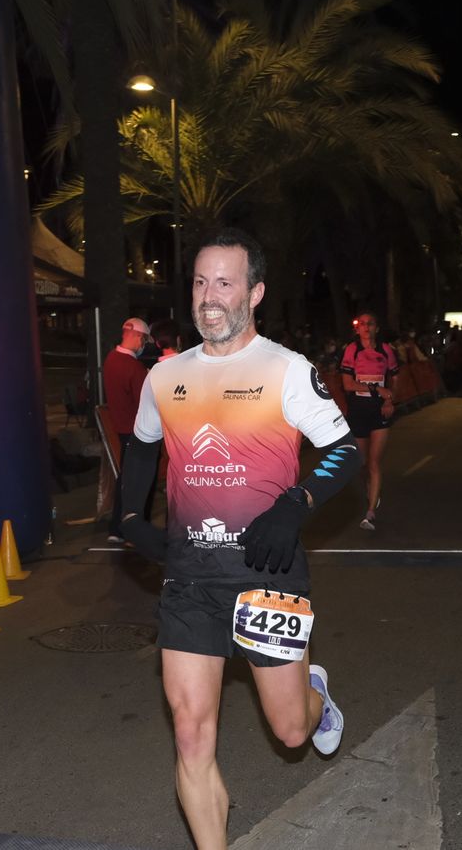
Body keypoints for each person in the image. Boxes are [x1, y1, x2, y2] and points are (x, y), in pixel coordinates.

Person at [116, 229, 361, 850]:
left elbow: (344, 451)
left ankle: (315, 693)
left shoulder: (285, 370)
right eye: (200, 282)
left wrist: (295, 503)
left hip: (266, 576)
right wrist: (127, 517)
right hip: (191, 579)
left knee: (289, 734)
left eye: (224, 283)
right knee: (192, 736)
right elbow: (141, 447)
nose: (209, 297)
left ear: (254, 292)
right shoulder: (165, 377)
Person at [340, 313, 399, 531]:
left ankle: (370, 511)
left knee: (374, 463)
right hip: (358, 410)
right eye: (362, 324)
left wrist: (390, 399)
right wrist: (376, 389)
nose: (366, 327)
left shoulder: (386, 351)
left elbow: (395, 379)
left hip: (379, 412)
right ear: (357, 329)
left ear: (377, 328)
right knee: (363, 463)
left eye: (370, 324)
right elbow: (347, 385)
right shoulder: (351, 350)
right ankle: (372, 492)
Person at [103, 317, 153, 542]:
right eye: (143, 339)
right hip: (138, 431)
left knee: (125, 478)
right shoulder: (134, 367)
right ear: (138, 337)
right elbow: (146, 401)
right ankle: (131, 528)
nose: (144, 345)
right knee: (138, 482)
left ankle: (117, 528)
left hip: (121, 429)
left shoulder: (111, 360)